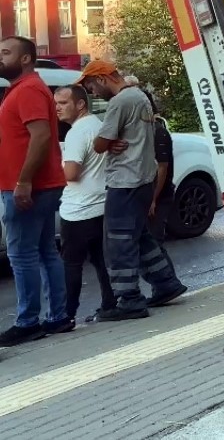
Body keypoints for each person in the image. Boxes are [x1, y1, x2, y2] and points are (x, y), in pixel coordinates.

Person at [77, 60, 187, 320]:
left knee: (118, 243)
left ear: (102, 78)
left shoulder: (120, 102)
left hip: (124, 181)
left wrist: (105, 140)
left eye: (91, 85)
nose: (92, 92)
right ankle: (165, 283)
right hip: (142, 179)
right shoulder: (139, 96)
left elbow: (100, 144)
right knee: (140, 238)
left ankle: (129, 299)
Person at [0, 36, 71, 344]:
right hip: (40, 185)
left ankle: (29, 321)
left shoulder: (28, 89)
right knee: (44, 252)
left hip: (28, 187)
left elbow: (40, 136)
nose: (0, 57)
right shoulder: (25, 88)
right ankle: (57, 317)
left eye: (6, 52)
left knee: (22, 254)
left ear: (26, 58)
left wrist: (24, 181)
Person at [55, 84, 118, 324]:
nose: (57, 108)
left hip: (77, 210)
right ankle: (110, 305)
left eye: (63, 103)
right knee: (101, 260)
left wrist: (52, 173)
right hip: (101, 205)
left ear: (80, 104)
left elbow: (71, 173)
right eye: (56, 103)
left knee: (71, 264)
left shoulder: (77, 132)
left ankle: (66, 315)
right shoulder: (98, 126)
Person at [142, 89, 175, 244]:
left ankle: (164, 269)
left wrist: (153, 199)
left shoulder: (158, 132)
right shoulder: (144, 131)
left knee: (154, 242)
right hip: (147, 194)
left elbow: (162, 167)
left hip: (159, 196)